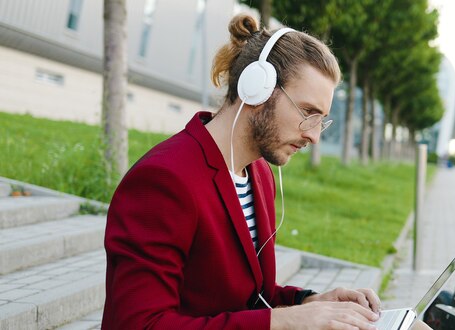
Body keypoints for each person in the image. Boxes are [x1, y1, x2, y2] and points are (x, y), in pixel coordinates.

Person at [102, 14, 385, 329]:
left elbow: (246, 299)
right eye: (308, 113)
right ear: (258, 89)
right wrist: (279, 322)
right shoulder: (163, 180)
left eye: (321, 120)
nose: (314, 136)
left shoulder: (259, 175)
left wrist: (308, 302)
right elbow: (140, 324)